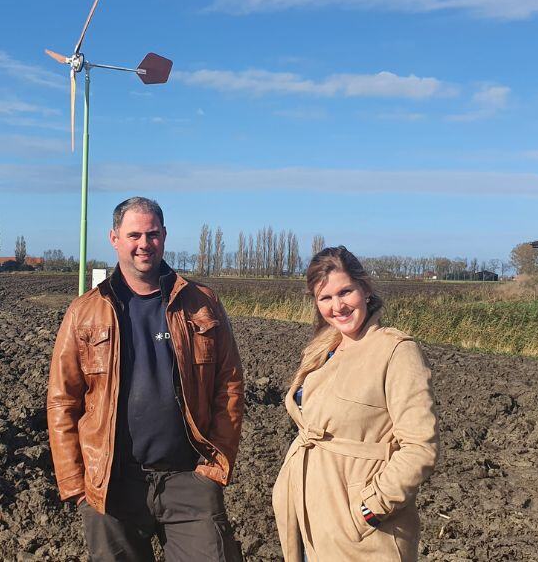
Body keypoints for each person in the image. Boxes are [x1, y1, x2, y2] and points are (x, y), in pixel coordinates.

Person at [47, 196, 245, 561]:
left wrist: (214, 466)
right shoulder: (85, 311)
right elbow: (63, 400)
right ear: (114, 238)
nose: (144, 244)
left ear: (165, 236)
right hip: (113, 484)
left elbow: (229, 384)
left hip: (190, 479)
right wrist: (75, 483)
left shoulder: (200, 302)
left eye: (152, 234)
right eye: (134, 234)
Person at [272, 246, 438, 562]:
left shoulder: (396, 351)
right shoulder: (323, 348)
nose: (338, 306)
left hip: (362, 534)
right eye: (325, 298)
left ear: (365, 288)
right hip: (312, 520)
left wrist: (371, 507)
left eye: (345, 292)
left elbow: (420, 447)